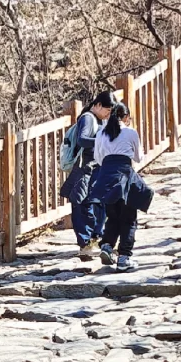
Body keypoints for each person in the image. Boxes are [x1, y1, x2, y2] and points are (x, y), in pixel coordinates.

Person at [90, 102, 146, 272]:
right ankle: (124, 257)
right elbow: (138, 158)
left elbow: (98, 158)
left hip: (106, 177)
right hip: (125, 175)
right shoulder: (130, 133)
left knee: (112, 215)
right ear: (126, 117)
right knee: (129, 219)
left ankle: (107, 246)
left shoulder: (101, 133)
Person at [62, 90, 115, 260]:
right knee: (82, 204)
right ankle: (85, 244)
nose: (108, 114)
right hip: (84, 168)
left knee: (100, 203)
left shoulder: (100, 120)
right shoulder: (87, 118)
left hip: (96, 168)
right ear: (97, 105)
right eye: (107, 110)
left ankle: (95, 239)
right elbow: (82, 140)